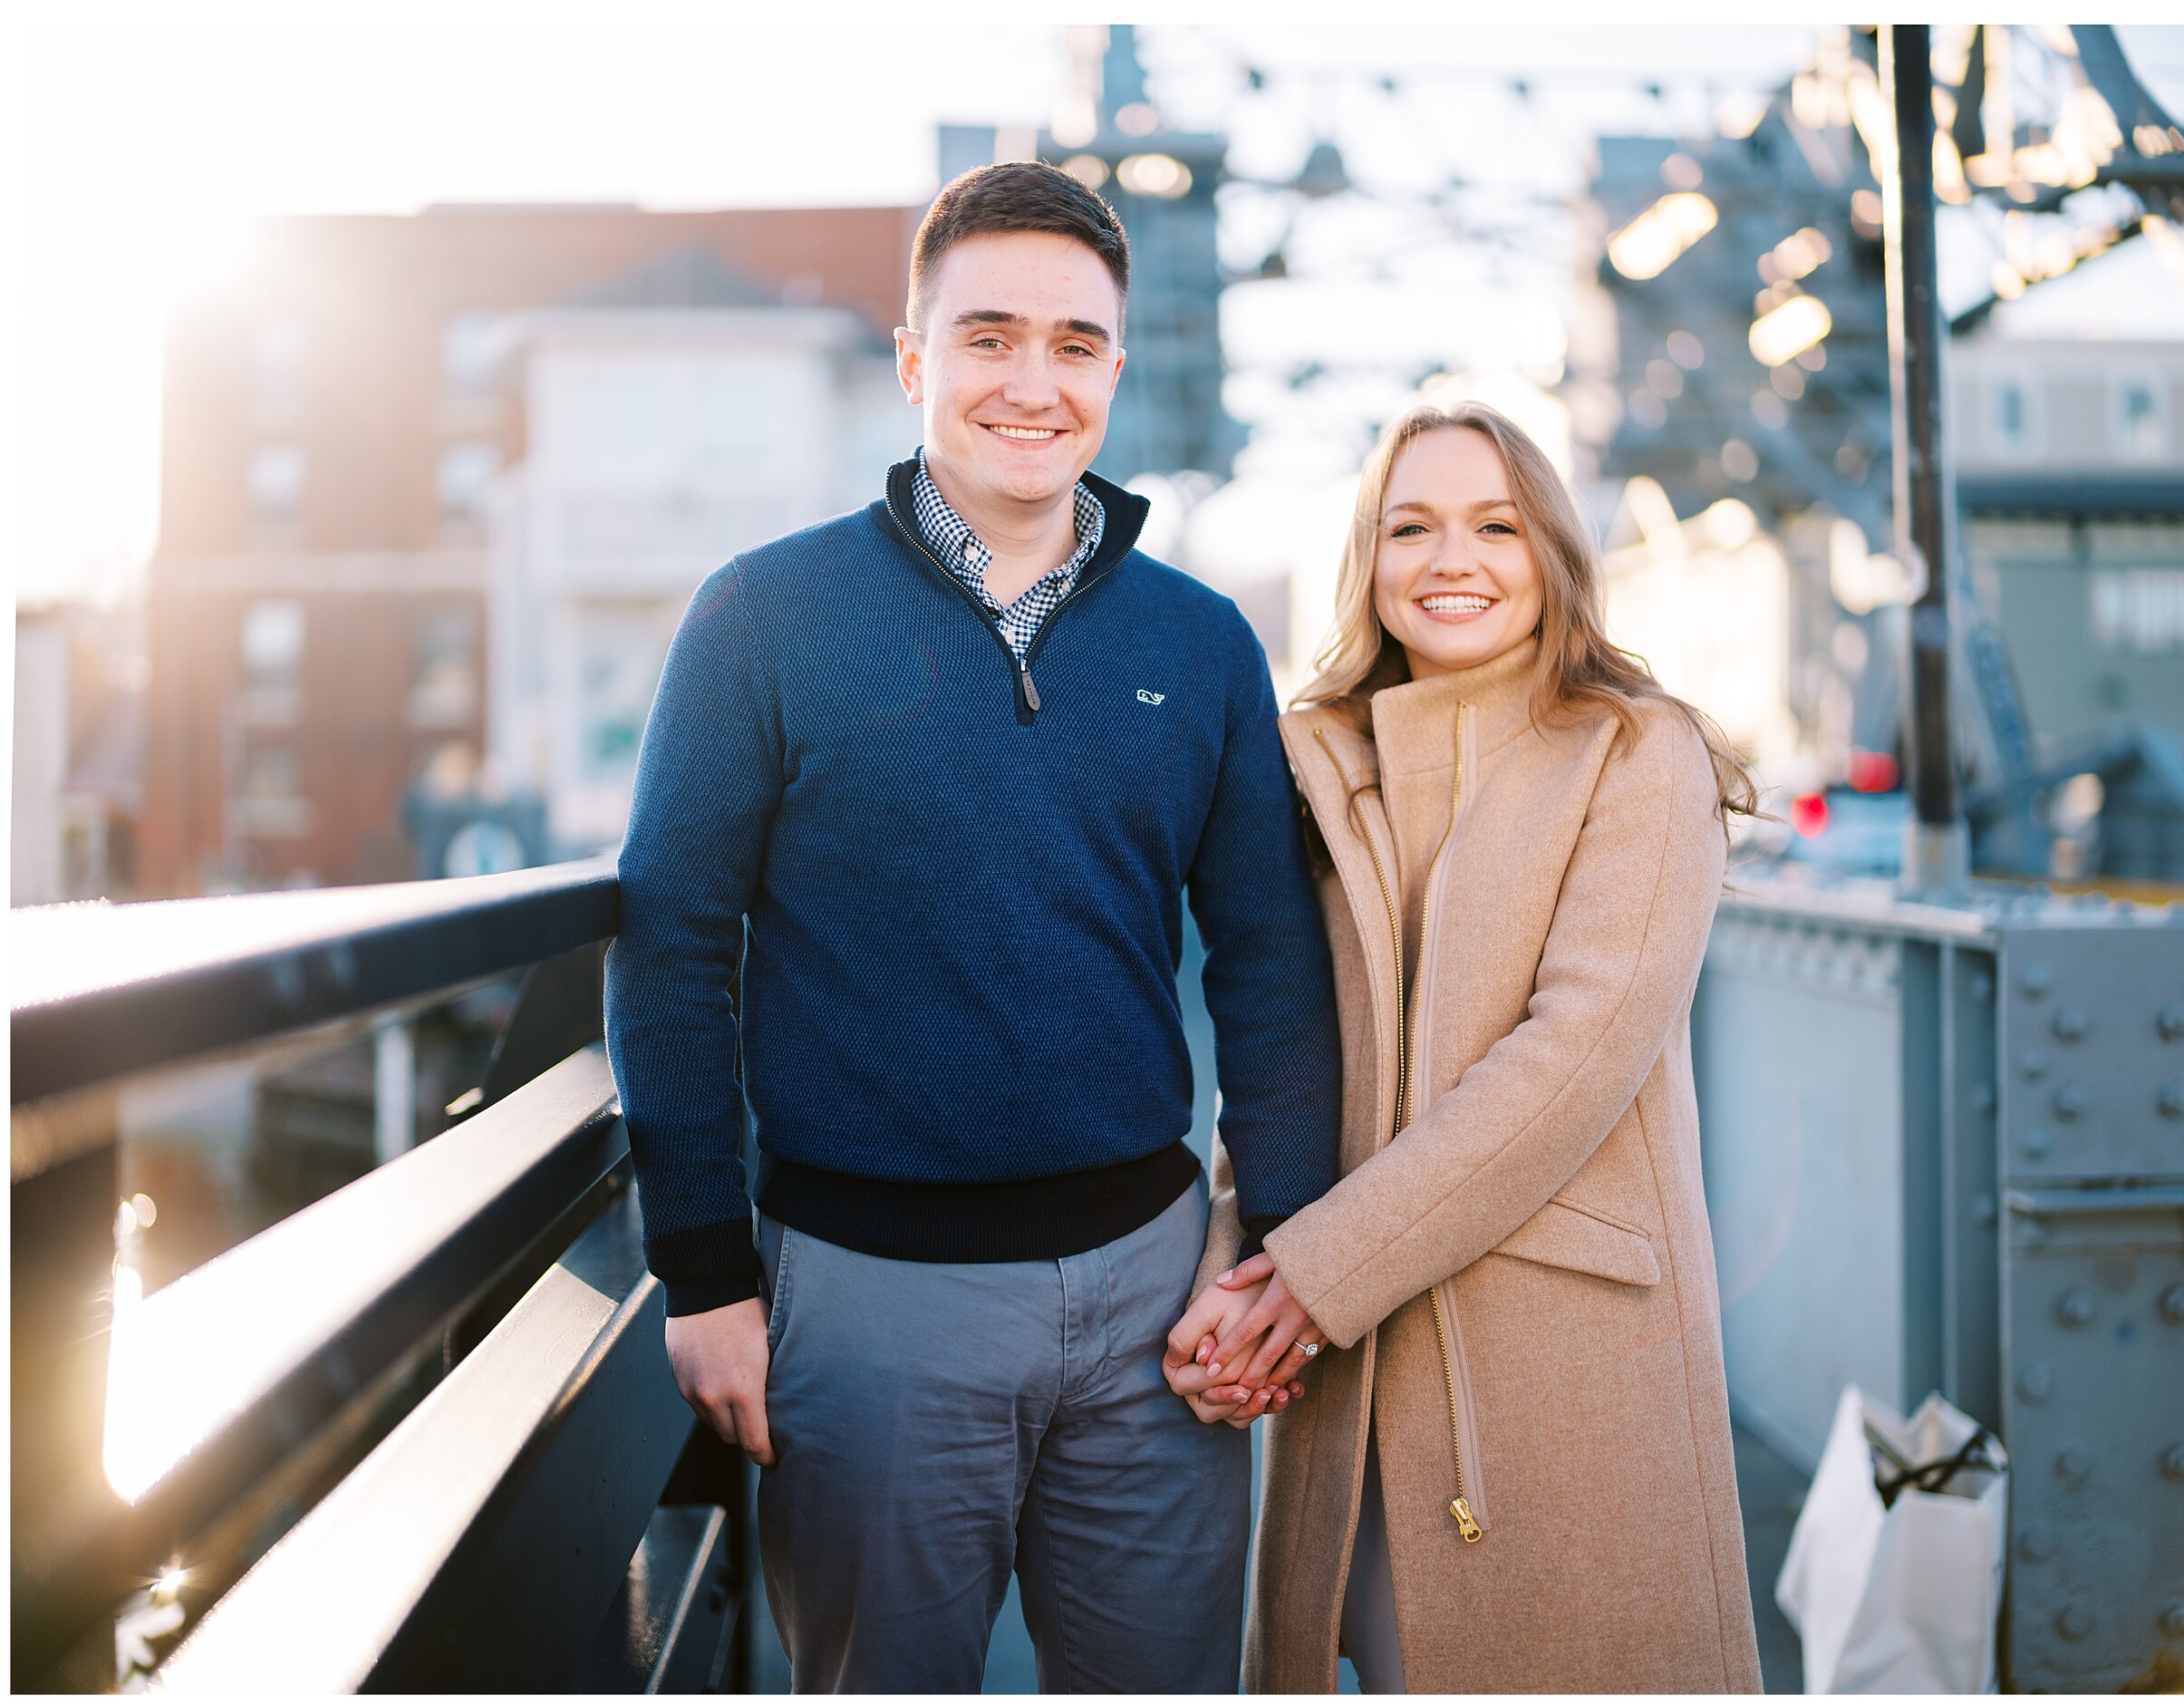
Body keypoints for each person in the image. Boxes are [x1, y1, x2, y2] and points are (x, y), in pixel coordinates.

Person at [603, 160, 1342, 1692]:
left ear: (1115, 370)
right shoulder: (764, 617)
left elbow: (1270, 959)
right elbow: (675, 939)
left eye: (1077, 344)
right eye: (989, 334)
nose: (1033, 380)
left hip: (1158, 1303)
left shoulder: (1201, 643)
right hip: (867, 1303)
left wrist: (1266, 1241)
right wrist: (704, 1271)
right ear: (914, 358)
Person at [1164, 399, 1766, 1692]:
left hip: (1556, 1364)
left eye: (1497, 525)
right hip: (1350, 1358)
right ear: (1367, 564)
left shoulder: (1636, 749)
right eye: (1412, 526)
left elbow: (1577, 1058)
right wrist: (1234, 1268)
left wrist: (1304, 1280)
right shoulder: (1317, 764)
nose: (1454, 559)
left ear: (1552, 553)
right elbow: (1281, 1057)